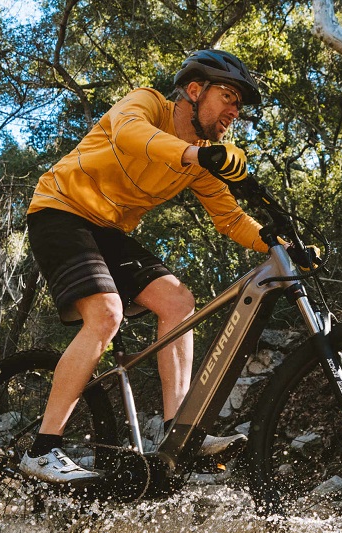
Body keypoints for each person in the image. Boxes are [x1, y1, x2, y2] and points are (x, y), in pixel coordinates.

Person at [19, 49, 265, 484]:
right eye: (227, 97)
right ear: (194, 90)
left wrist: (279, 242)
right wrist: (196, 156)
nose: (233, 111)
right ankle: (43, 449)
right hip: (59, 209)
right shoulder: (147, 104)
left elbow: (230, 219)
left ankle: (179, 431)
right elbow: (132, 136)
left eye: (238, 106)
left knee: (178, 301)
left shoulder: (203, 157)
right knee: (106, 313)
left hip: (105, 229)